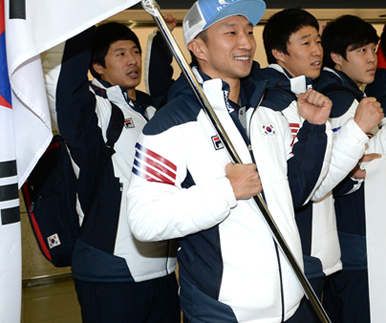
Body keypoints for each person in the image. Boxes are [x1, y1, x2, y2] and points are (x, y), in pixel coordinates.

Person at [127, 0, 335, 321]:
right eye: (231, 32)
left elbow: (293, 192)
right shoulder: (171, 123)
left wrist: (314, 129)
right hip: (223, 311)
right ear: (198, 47)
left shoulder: (266, 110)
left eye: (249, 31)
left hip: (292, 302)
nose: (246, 42)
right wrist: (226, 191)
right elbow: (145, 221)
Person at [43, 22, 180, 323]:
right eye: (120, 53)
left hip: (164, 272)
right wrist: (79, 24)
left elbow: (166, 90)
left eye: (135, 51)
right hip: (111, 273)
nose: (132, 60)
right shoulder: (97, 112)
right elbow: (66, 92)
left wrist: (160, 43)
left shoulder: (147, 109)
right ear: (97, 66)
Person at [260, 8, 384, 321]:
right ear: (279, 53)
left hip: (326, 246)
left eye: (317, 41)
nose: (316, 50)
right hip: (323, 243)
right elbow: (305, 184)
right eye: (305, 43)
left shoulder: (309, 93)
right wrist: (354, 156)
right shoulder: (281, 100)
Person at [315, 15, 384, 323]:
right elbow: (328, 173)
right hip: (355, 239)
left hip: (350, 239)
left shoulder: (347, 95)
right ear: (337, 58)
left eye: (373, 49)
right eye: (361, 51)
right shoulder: (342, 103)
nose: (371, 59)